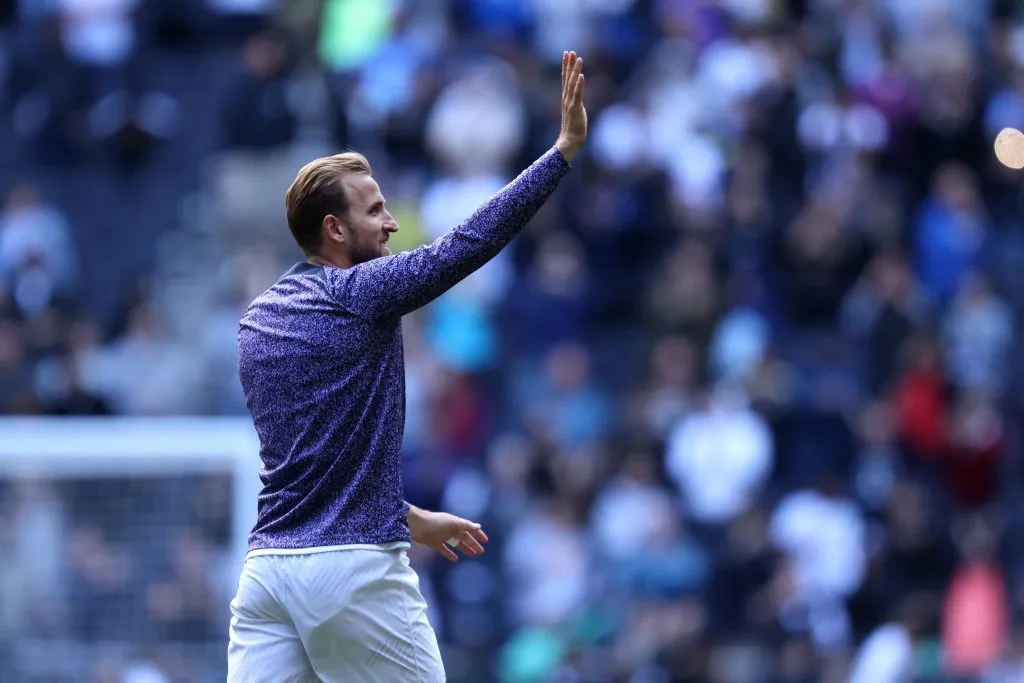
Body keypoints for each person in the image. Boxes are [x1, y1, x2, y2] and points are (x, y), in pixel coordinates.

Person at [227, 51, 588, 682]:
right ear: (334, 230)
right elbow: (466, 245)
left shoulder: (258, 318)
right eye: (375, 213)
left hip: (266, 579)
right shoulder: (357, 294)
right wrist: (560, 152)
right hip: (354, 574)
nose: (392, 223)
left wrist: (411, 519)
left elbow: (318, 473)